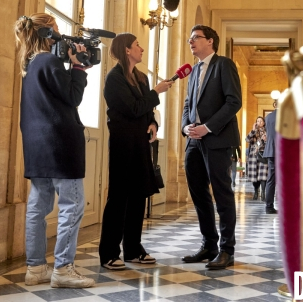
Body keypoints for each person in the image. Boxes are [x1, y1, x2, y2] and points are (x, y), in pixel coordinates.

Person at [15, 13, 95, 288]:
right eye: (57, 29)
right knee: (71, 206)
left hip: (36, 145)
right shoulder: (49, 61)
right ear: (48, 33)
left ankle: (36, 268)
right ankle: (63, 268)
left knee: (38, 205)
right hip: (59, 143)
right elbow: (72, 97)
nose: (61, 35)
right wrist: (78, 67)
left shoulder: (30, 63)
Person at [99, 33, 173, 270]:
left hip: (140, 143)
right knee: (119, 197)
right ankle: (109, 252)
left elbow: (146, 111)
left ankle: (133, 249)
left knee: (138, 195)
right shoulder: (114, 78)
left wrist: (153, 123)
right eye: (137, 45)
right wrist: (157, 92)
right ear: (127, 50)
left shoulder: (141, 78)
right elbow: (132, 109)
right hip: (123, 143)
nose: (141, 49)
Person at [181, 24, 242, 270]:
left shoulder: (223, 65)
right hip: (193, 140)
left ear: (210, 41)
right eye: (190, 38)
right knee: (198, 193)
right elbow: (188, 104)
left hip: (217, 139)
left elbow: (233, 101)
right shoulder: (194, 71)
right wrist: (186, 127)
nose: (191, 42)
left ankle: (228, 250)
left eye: (196, 38)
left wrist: (207, 127)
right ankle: (209, 245)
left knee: (222, 193)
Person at [245, 117, 268, 201]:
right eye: (257, 121)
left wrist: (263, 141)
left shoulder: (266, 132)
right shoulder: (253, 132)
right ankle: (256, 191)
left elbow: (266, 142)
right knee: (254, 176)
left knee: (263, 176)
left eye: (261, 121)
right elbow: (247, 139)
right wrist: (253, 130)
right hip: (253, 156)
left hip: (262, 155)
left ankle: (263, 193)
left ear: (264, 123)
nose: (259, 122)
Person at [263, 106, 278, 214]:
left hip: (270, 150)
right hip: (283, 150)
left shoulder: (268, 117)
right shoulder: (286, 115)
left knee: (271, 180)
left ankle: (269, 206)